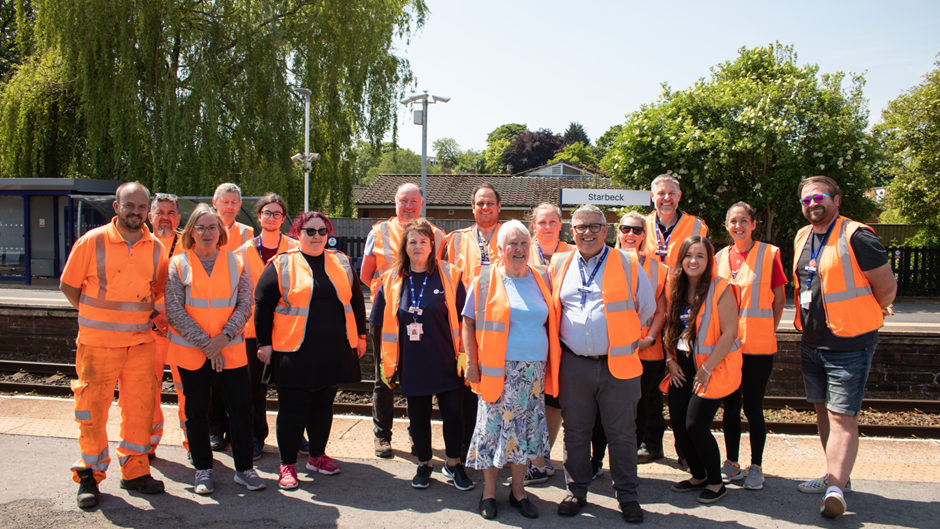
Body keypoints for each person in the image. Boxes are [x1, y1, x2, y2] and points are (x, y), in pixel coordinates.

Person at [792, 176, 896, 518]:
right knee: (823, 412)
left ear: (837, 199)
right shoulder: (803, 236)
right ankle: (836, 478)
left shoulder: (857, 235)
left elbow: (887, 288)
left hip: (850, 341)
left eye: (819, 197)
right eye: (806, 200)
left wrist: (868, 312)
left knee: (842, 417)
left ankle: (835, 488)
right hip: (813, 340)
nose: (812, 204)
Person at [60, 182, 168, 508]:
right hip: (97, 345)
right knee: (91, 413)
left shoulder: (157, 248)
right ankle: (89, 476)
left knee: (139, 411)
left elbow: (158, 293)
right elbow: (69, 286)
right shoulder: (92, 242)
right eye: (129, 206)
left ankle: (135, 471)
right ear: (116, 207)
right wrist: (95, 317)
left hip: (139, 344)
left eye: (141, 207)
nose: (135, 212)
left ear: (147, 209)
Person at [548, 205, 655, 524]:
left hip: (618, 364)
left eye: (595, 226)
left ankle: (627, 496)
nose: (588, 232)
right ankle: (576, 490)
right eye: (581, 227)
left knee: (622, 433)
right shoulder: (558, 263)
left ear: (605, 231)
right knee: (576, 432)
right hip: (574, 364)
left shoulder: (628, 263)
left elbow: (646, 309)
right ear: (572, 231)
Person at [255, 211, 367, 490]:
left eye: (322, 231)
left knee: (323, 405)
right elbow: (263, 304)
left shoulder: (340, 261)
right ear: (297, 233)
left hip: (334, 348)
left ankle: (316, 456)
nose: (316, 236)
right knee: (293, 408)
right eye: (310, 231)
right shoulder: (281, 264)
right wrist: (264, 344)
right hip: (294, 350)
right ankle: (287, 464)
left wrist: (361, 336)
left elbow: (355, 299)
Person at [463, 220, 560, 520]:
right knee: (493, 433)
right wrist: (470, 362)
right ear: (500, 249)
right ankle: (489, 493)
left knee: (525, 434)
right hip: (498, 372)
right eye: (512, 244)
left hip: (532, 373)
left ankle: (519, 492)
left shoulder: (541, 276)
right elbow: (468, 322)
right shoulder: (485, 280)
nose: (519, 249)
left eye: (523, 243)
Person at [165, 203, 264, 494]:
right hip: (193, 352)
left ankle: (245, 469)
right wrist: (208, 345)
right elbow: (174, 309)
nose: (207, 233)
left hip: (230, 350)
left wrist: (222, 338)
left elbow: (246, 303)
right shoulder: (178, 263)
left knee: (242, 409)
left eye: (212, 227)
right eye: (201, 227)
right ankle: (203, 470)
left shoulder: (236, 261)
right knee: (196, 413)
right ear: (191, 232)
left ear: (221, 231)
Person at [370, 219, 470, 491]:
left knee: (453, 415)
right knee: (419, 418)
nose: (418, 246)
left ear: (432, 246)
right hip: (412, 364)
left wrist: (466, 354)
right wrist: (385, 364)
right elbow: (380, 324)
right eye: (412, 241)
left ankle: (453, 464)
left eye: (423, 241)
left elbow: (465, 318)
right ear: (405, 245)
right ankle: (424, 464)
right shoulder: (391, 279)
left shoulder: (450, 274)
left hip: (447, 362)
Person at [360, 182, 445, 458]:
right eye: (403, 201)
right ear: (395, 204)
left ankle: (415, 436)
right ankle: (381, 435)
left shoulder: (437, 235)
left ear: (422, 204)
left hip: (421, 316)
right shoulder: (379, 232)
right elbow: (365, 275)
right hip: (386, 315)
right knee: (384, 375)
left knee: (417, 376)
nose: (408, 206)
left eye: (414, 201)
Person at [662, 236, 741, 505]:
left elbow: (729, 332)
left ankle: (716, 482)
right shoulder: (676, 288)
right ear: (681, 259)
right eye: (688, 255)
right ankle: (698, 476)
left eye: (700, 256)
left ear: (709, 262)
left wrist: (706, 369)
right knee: (679, 426)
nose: (693, 261)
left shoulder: (721, 289)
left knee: (695, 425)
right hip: (681, 366)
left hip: (711, 367)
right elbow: (670, 328)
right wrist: (670, 360)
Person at [590, 211, 668, 477]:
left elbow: (661, 309)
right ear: (617, 233)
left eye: (637, 230)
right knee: (602, 408)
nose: (630, 235)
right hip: (612, 349)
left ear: (645, 235)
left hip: (646, 351)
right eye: (625, 229)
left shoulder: (660, 269)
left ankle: (627, 464)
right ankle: (596, 459)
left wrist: (648, 339)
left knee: (640, 406)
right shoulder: (604, 262)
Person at [715, 202, 786, 490]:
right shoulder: (719, 257)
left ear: (754, 224)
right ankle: (732, 463)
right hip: (728, 348)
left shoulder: (769, 254)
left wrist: (768, 328)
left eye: (743, 221)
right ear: (727, 226)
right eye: (733, 221)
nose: (738, 226)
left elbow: (779, 299)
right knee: (730, 407)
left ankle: (756, 466)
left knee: (753, 408)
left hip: (758, 346)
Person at [235, 192, 298, 461]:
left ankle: (296, 435)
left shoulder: (296, 248)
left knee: (292, 387)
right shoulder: (242, 252)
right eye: (267, 213)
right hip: (252, 331)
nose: (272, 218)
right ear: (259, 217)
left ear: (283, 219)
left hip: (288, 329)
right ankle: (256, 435)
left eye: (277, 214)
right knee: (254, 389)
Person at [444, 183, 503, 461]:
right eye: (479, 203)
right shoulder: (455, 239)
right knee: (466, 391)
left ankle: (500, 452)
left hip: (499, 326)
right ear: (472, 207)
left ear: (499, 206)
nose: (485, 208)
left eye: (490, 203)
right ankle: (468, 451)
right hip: (463, 325)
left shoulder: (512, 235)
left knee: (499, 390)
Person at [513, 202, 569, 484]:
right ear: (533, 226)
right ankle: (530, 457)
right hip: (531, 335)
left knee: (554, 399)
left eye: (552, 222)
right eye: (542, 222)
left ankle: (542, 456)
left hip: (563, 337)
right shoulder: (523, 250)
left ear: (561, 225)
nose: (547, 227)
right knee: (530, 399)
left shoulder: (572, 253)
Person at [208, 182, 255, 450]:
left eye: (234, 202)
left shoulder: (247, 233)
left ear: (239, 205)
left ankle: (235, 429)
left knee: (237, 376)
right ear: (215, 203)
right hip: (208, 311)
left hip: (238, 313)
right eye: (224, 201)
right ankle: (215, 428)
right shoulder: (203, 226)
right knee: (213, 376)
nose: (229, 206)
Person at [147, 193, 189, 460]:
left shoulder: (189, 244)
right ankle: (147, 444)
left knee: (188, 390)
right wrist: (153, 316)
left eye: (171, 212)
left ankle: (192, 442)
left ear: (179, 217)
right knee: (148, 388)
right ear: (150, 216)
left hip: (181, 331)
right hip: (147, 329)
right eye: (160, 212)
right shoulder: (138, 243)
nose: (165, 217)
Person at [645, 174, 709, 269]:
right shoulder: (641, 225)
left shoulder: (697, 226)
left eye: (671, 193)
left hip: (683, 284)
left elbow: (707, 266)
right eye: (661, 193)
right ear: (652, 196)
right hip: (647, 284)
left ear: (679, 195)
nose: (667, 197)